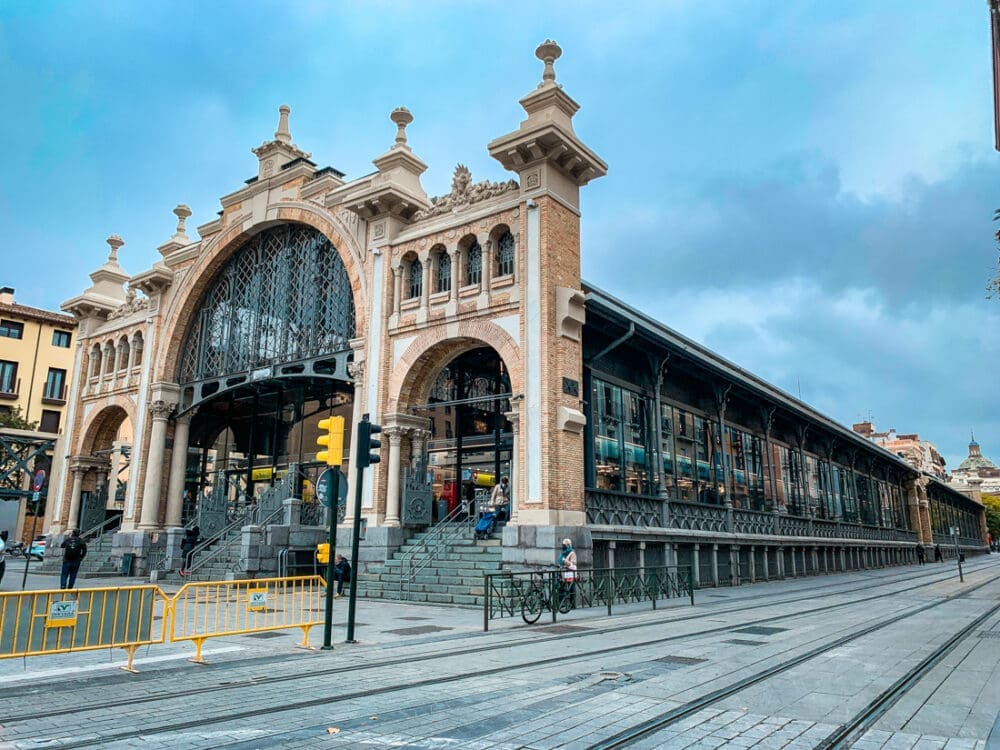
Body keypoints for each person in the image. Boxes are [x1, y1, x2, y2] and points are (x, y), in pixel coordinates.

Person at [558, 538, 577, 607]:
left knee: (571, 588)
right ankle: (562, 603)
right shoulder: (563, 553)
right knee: (562, 588)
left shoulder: (572, 553)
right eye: (562, 544)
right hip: (564, 573)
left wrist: (565, 561)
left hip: (570, 573)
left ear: (568, 545)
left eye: (564, 544)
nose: (563, 546)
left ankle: (572, 605)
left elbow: (573, 564)